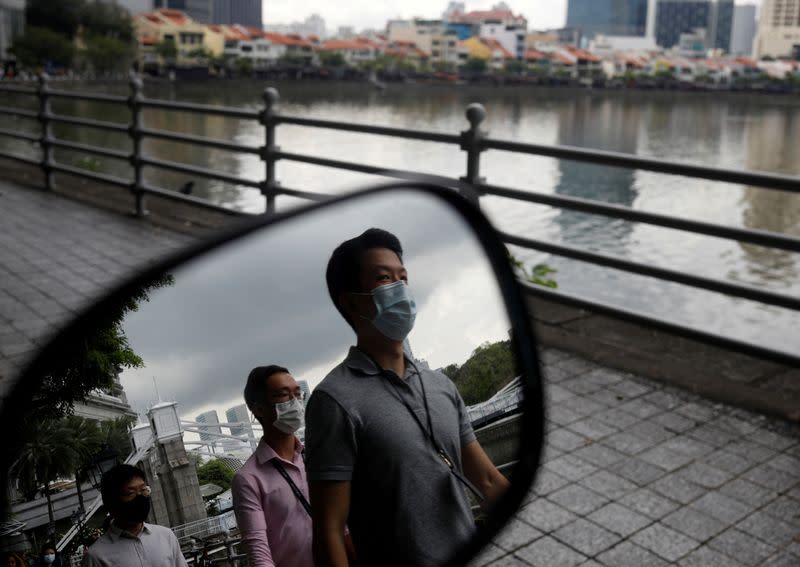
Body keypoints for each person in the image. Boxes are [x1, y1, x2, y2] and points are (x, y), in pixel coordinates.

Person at [305, 228, 510, 567]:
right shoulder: (334, 401)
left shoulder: (441, 385)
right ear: (352, 301)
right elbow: (329, 530)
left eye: (404, 278)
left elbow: (487, 479)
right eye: (385, 279)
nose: (401, 289)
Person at [232, 366, 312, 567]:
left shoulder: (315, 457)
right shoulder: (249, 479)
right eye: (284, 395)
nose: (295, 403)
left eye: (298, 394)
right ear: (258, 409)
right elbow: (259, 554)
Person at [82, 464, 187, 567]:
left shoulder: (166, 536)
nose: (140, 497)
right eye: (130, 493)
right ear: (111, 502)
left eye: (143, 490)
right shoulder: (96, 557)